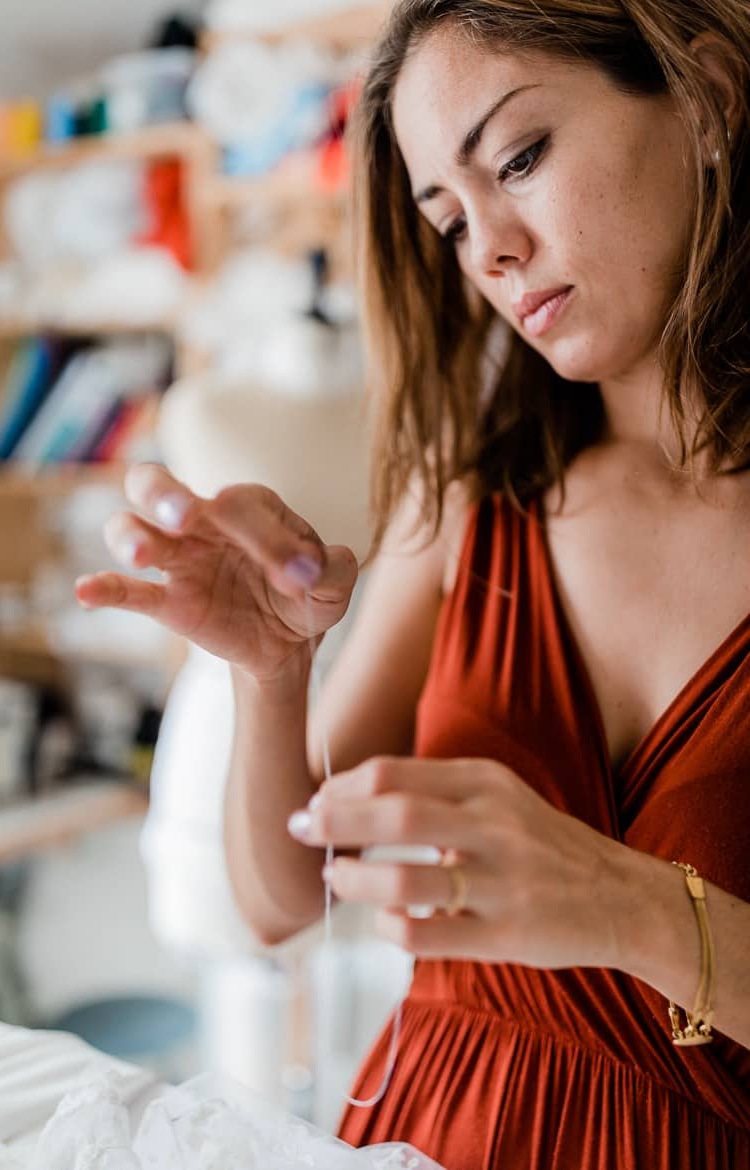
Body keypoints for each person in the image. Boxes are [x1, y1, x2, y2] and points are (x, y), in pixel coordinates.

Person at [78, 0, 750, 1164]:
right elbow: (286, 902)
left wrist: (630, 905)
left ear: (711, 95)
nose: (489, 249)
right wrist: (270, 674)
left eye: (522, 159)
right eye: (446, 220)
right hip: (423, 1130)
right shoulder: (473, 500)